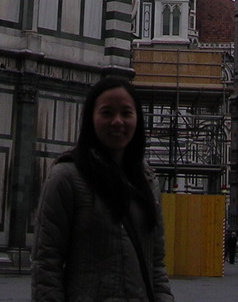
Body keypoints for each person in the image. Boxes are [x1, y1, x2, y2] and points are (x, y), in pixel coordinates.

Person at [31, 75, 173, 302]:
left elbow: (156, 263)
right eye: (107, 113)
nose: (118, 121)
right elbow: (46, 263)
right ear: (90, 118)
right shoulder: (65, 178)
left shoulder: (147, 182)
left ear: (138, 119)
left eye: (126, 113)